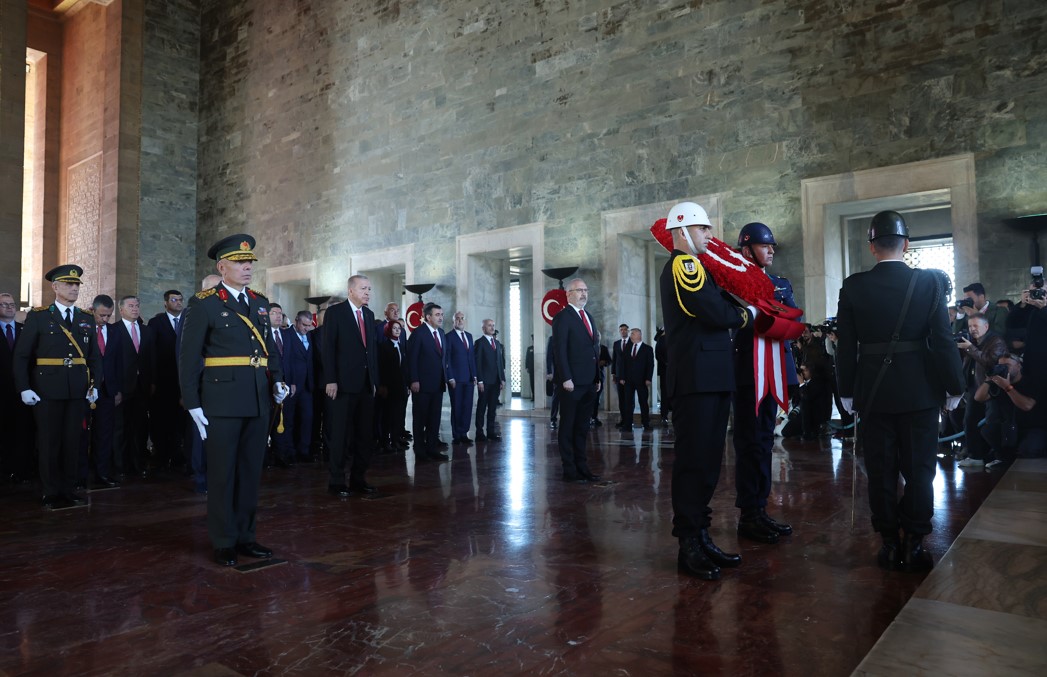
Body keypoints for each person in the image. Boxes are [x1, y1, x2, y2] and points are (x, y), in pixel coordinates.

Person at [836, 210, 964, 572]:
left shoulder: (853, 285)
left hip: (874, 392)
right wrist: (954, 384)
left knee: (881, 470)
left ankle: (889, 543)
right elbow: (942, 340)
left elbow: (846, 346)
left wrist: (846, 390)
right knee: (920, 470)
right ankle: (916, 542)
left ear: (873, 247)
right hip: (920, 392)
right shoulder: (929, 284)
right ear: (906, 244)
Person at [178, 234, 288, 567]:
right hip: (221, 400)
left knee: (250, 472)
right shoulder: (205, 303)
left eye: (250, 262)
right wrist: (192, 402)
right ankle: (223, 539)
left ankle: (246, 536)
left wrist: (278, 380)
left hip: (257, 399)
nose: (247, 267)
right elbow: (188, 356)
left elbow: (268, 349)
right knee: (223, 473)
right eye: (241, 263)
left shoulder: (258, 302)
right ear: (221, 266)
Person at [658, 202, 754, 581]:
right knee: (694, 463)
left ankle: (701, 534)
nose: (710, 236)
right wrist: (746, 315)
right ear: (682, 231)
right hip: (696, 378)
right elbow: (712, 311)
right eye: (703, 229)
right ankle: (688, 543)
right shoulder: (684, 265)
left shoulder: (700, 267)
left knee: (709, 463)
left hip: (711, 376)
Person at [730, 221, 799, 543]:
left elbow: (792, 319)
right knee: (749, 443)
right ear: (746, 249)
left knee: (766, 441)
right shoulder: (731, 286)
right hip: (747, 373)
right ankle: (749, 512)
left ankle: (761, 508)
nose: (771, 250)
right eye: (764, 245)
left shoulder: (780, 284)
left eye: (772, 246)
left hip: (774, 372)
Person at [13, 265, 102, 510]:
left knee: (73, 441)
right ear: (55, 287)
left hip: (77, 390)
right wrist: (24, 387)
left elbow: (94, 357)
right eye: (68, 284)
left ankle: (69, 489)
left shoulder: (85, 318)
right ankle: (50, 491)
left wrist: (94, 384)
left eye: (77, 285)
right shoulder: (40, 316)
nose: (74, 288)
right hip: (46, 389)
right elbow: (22, 356)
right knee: (50, 442)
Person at [322, 276, 379, 496]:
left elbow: (371, 352)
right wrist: (330, 379)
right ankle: (336, 481)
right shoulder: (335, 313)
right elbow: (328, 348)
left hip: (365, 386)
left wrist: (374, 381)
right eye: (364, 288)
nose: (368, 292)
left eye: (369, 289)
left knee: (364, 436)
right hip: (342, 385)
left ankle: (358, 479)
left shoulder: (369, 314)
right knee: (340, 435)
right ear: (351, 290)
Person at [551, 278, 602, 483]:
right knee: (568, 426)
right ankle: (569, 470)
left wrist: (597, 377)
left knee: (582, 427)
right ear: (568, 294)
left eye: (585, 290)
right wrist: (566, 378)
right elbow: (560, 350)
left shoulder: (588, 316)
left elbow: (594, 350)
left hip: (589, 382)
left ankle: (583, 467)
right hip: (571, 383)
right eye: (579, 290)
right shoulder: (563, 317)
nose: (583, 294)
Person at [956, 313, 1007, 468]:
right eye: (970, 326)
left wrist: (970, 349)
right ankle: (975, 456)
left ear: (986, 326)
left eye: (975, 326)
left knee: (992, 424)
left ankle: (1000, 456)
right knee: (969, 421)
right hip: (973, 387)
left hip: (991, 388)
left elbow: (990, 362)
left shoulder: (995, 341)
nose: (972, 329)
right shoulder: (972, 342)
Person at [974, 353, 1045, 464]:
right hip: (1011, 427)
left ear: (1019, 366)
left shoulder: (1031, 382)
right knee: (987, 430)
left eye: (1007, 365)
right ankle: (1005, 457)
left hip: (1034, 428)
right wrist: (989, 379)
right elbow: (979, 398)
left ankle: (1012, 456)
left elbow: (1027, 406)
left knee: (1028, 449)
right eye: (1000, 365)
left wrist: (1007, 387)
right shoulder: (1000, 384)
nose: (1003, 368)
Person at [83, 294, 123, 489]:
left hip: (107, 392)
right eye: (102, 315)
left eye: (109, 315)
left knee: (104, 434)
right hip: (84, 390)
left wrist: (117, 390)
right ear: (92, 310)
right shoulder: (81, 329)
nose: (105, 319)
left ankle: (102, 474)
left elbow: (118, 363)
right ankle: (79, 476)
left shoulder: (115, 332)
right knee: (81, 434)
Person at [113, 295, 154, 480]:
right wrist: (115, 389)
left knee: (140, 427)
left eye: (137, 305)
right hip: (122, 387)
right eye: (131, 306)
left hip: (142, 387)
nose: (135, 308)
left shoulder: (147, 331)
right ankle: (120, 466)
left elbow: (154, 359)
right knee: (121, 428)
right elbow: (110, 362)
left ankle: (138, 464)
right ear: (121, 310)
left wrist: (153, 382)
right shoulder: (114, 330)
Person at [148, 289, 187, 474]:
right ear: (166, 303)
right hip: (163, 380)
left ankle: (178, 455)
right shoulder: (157, 322)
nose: (178, 303)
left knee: (181, 420)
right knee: (162, 420)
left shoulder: (188, 322)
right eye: (174, 300)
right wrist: (153, 380)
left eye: (180, 300)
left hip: (183, 380)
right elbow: (151, 353)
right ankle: (161, 456)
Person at [407, 302, 450, 462]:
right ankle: (420, 451)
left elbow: (443, 359)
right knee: (420, 419)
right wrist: (414, 380)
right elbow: (412, 359)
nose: (441, 317)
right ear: (428, 317)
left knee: (434, 419)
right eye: (437, 315)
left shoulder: (442, 333)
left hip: (438, 384)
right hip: (422, 384)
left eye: (441, 314)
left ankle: (432, 449)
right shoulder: (418, 333)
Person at [0, 291, 34, 485]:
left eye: (12, 304)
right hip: (2, 392)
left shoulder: (25, 330)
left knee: (23, 432)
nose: (10, 307)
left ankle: (22, 469)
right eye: (4, 304)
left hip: (23, 392)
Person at [276, 310, 315, 465]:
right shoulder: (286, 335)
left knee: (307, 418)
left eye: (309, 326)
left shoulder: (310, 336)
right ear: (296, 321)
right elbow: (285, 361)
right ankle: (289, 451)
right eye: (304, 325)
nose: (306, 328)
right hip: (291, 385)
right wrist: (289, 381)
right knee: (289, 420)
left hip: (307, 385)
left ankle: (303, 451)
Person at [377, 320, 410, 453]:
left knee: (398, 415)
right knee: (387, 415)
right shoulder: (383, 346)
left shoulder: (401, 346)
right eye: (394, 328)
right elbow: (382, 368)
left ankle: (396, 440)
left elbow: (404, 367)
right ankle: (385, 442)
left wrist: (407, 384)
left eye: (399, 328)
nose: (397, 330)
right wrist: (382, 385)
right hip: (389, 387)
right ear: (388, 330)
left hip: (401, 386)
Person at [445, 311, 476, 445]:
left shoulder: (469, 336)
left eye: (462, 318)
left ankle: (464, 433)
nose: (460, 320)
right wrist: (450, 377)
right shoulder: (449, 337)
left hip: (469, 378)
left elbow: (472, 358)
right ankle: (456, 435)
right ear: (453, 321)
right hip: (456, 379)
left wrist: (475, 375)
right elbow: (447, 359)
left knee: (467, 406)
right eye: (457, 318)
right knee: (457, 406)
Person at [474, 318, 506, 442]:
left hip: (496, 381)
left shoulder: (497, 343)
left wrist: (502, 379)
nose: (492, 328)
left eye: (493, 325)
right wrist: (480, 381)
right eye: (489, 326)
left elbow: (500, 363)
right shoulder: (479, 343)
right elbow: (478, 363)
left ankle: (491, 432)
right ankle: (479, 433)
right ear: (483, 328)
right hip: (485, 382)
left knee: (492, 408)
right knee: (482, 408)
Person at [617, 327, 654, 431]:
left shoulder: (648, 349)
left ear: (639, 335)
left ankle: (646, 424)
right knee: (628, 403)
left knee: (643, 402)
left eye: (632, 333)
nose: (630, 335)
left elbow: (650, 365)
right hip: (628, 380)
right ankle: (627, 425)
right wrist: (622, 377)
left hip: (642, 380)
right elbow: (623, 364)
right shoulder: (627, 348)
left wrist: (648, 378)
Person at [611, 323, 630, 428]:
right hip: (618, 376)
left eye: (625, 330)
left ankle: (629, 420)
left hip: (629, 376)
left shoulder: (632, 343)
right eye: (621, 330)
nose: (623, 331)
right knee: (621, 399)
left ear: (628, 331)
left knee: (629, 399)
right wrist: (613, 374)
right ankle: (623, 420)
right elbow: (614, 360)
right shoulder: (616, 344)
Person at [654, 327, 670, 425]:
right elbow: (658, 355)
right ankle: (664, 416)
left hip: (676, 370)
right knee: (664, 393)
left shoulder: (676, 338)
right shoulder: (661, 339)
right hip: (665, 370)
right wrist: (667, 363)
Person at [525, 337, 535, 401]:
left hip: (538, 369)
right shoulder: (529, 348)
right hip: (531, 369)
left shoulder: (539, 347)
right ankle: (533, 395)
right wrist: (527, 367)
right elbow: (527, 358)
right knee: (532, 382)